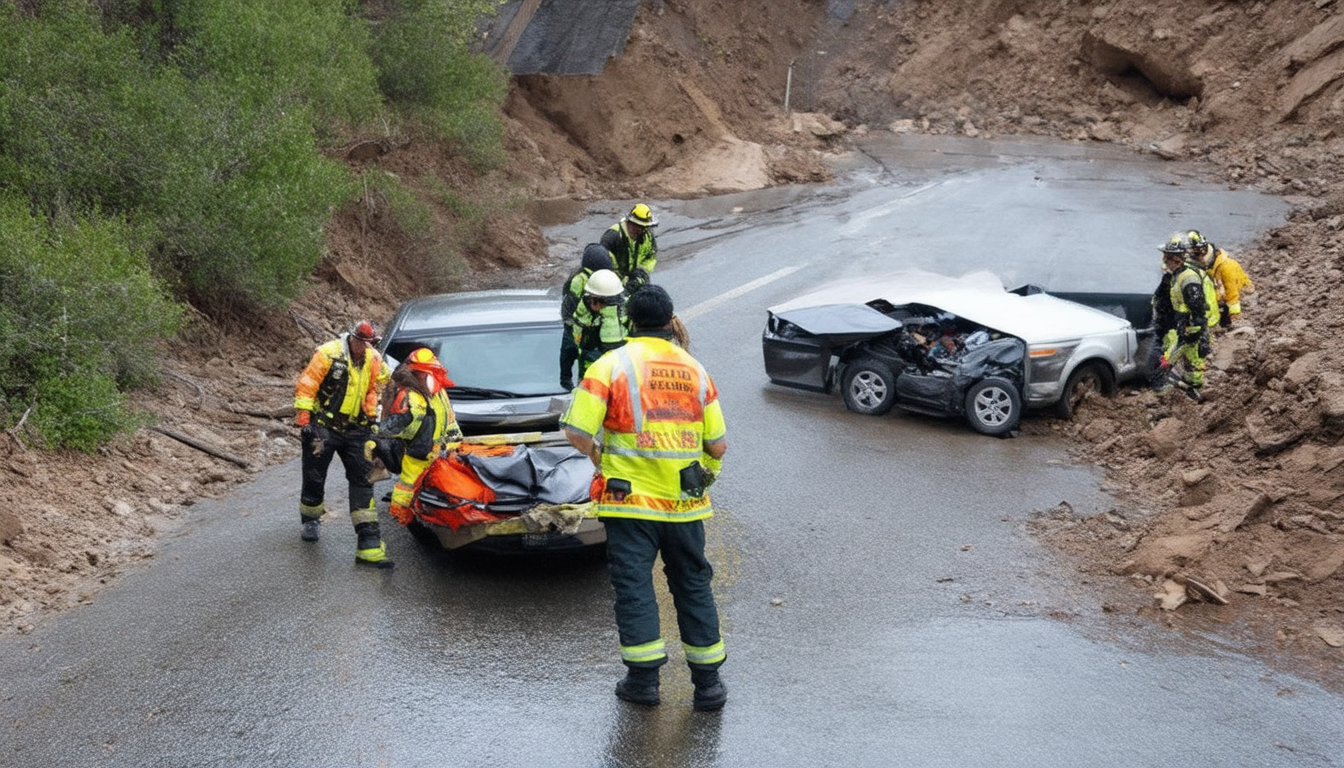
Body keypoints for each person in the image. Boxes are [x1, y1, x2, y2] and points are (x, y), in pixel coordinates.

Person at [561, 284, 730, 712]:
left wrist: (602, 458)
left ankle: (643, 684)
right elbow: (717, 446)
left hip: (629, 502)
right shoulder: (696, 370)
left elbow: (577, 432)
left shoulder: (610, 365)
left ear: (630, 320)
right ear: (670, 320)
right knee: (693, 586)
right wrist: (700, 477)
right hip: (684, 504)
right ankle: (709, 686)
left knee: (635, 588)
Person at [293, 320, 394, 567]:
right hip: (323, 427)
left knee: (363, 479)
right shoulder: (328, 354)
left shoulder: (373, 359)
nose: (363, 348)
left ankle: (368, 543)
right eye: (360, 342)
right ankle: (311, 520)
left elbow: (384, 382)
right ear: (352, 338)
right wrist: (305, 419)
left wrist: (379, 413)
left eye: (368, 344)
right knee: (314, 474)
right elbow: (307, 385)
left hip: (357, 428)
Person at [375, 348, 462, 527]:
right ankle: (410, 516)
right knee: (419, 486)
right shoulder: (426, 393)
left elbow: (444, 418)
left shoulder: (426, 393)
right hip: (431, 450)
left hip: (430, 451)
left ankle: (413, 516)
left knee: (418, 487)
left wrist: (455, 440)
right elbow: (409, 423)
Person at [1159, 235, 1219, 399]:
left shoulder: (1188, 279)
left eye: (1166, 257)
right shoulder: (1179, 274)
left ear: (1174, 259)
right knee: (1186, 360)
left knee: (1193, 361)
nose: (1164, 261)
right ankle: (1190, 389)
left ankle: (1196, 393)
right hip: (1185, 323)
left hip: (1192, 325)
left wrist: (1195, 329)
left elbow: (1197, 306)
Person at [560, 243, 616, 389]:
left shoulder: (609, 280)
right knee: (569, 349)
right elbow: (571, 309)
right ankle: (565, 380)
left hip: (599, 327)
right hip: (577, 324)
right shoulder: (579, 281)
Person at [1186, 230, 1255, 328]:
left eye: (1197, 256)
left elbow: (1233, 295)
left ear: (1203, 251)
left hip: (1242, 301)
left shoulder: (1226, 266)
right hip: (1224, 299)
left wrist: (1235, 318)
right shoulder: (1210, 265)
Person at [572, 268, 629, 379]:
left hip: (598, 371)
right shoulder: (626, 310)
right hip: (619, 370)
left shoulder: (589, 312)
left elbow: (577, 337)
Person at [600, 203, 659, 292]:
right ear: (630, 222)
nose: (640, 230)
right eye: (638, 226)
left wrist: (641, 273)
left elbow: (651, 257)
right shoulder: (612, 237)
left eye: (644, 227)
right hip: (612, 285)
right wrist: (620, 281)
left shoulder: (648, 237)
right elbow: (601, 263)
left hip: (637, 283)